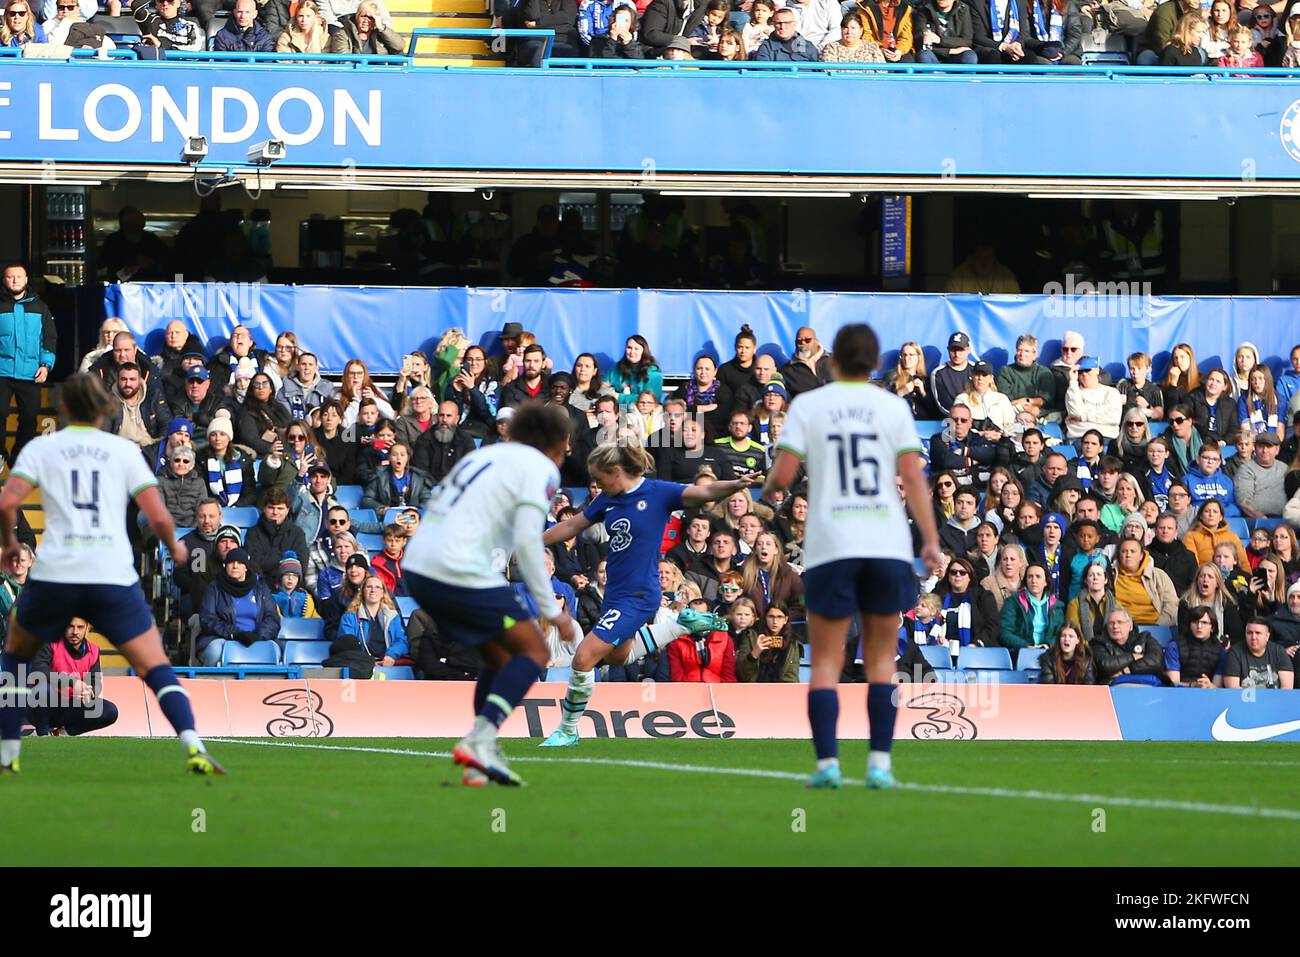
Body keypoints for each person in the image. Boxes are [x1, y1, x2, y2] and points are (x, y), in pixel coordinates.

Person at [0, 374, 221, 775]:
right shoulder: (123, 451)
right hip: (111, 573)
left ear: (63, 408)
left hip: (56, 573)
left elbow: (7, 503)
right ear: (105, 409)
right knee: (155, 664)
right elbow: (156, 513)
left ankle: (9, 750)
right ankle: (193, 743)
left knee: (15, 654)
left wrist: (10, 545)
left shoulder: (42, 448)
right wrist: (175, 547)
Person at [763, 322, 941, 790]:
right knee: (882, 659)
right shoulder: (891, 407)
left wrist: (766, 487)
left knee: (826, 658)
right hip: (885, 543)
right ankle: (880, 763)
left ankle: (828, 765)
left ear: (832, 360)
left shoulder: (809, 405)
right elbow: (915, 479)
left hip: (831, 546)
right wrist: (929, 538)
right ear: (876, 362)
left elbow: (781, 477)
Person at [397, 404, 580, 786]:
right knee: (535, 651)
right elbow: (530, 542)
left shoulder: (484, 456)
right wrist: (554, 610)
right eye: (566, 448)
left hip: (418, 566)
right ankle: (480, 738)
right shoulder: (539, 467)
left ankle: (478, 758)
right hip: (460, 569)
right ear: (558, 444)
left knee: (498, 655)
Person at [540, 442, 756, 748]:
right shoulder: (608, 500)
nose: (598, 485)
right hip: (614, 594)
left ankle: (568, 728)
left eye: (601, 478)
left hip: (640, 594)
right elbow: (574, 524)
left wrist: (735, 484)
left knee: (584, 656)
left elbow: (703, 492)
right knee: (616, 656)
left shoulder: (657, 492)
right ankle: (681, 625)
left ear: (616, 472)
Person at [0, 264, 54, 469]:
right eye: (10, 277)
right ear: (4, 280)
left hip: (30, 372)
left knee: (30, 417)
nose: (15, 280)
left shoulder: (40, 307)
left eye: (19, 277)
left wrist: (45, 365)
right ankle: (0, 454)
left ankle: (19, 458)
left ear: (26, 279)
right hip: (2, 370)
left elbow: (49, 338)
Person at [28, 617, 120, 738]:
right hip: (42, 705)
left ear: (87, 629)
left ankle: (63, 733)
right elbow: (38, 671)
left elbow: (95, 681)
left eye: (80, 627)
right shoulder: (49, 642)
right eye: (71, 626)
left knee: (110, 711)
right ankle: (43, 733)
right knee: (43, 688)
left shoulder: (94, 650)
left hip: (72, 705)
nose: (75, 631)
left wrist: (89, 691)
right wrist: (72, 682)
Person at [243, 487, 311, 581]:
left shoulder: (297, 533)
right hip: (261, 585)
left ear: (287, 510)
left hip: (290, 587)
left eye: (280, 508)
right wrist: (285, 558)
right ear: (264, 509)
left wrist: (269, 562)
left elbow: (301, 565)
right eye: (271, 508)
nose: (275, 512)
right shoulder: (253, 533)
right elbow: (253, 564)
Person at [1112, 538, 1178, 627]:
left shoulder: (1158, 576)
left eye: (1133, 551)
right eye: (1124, 551)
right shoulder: (1109, 576)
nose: (1128, 555)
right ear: (1119, 555)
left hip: (1155, 627)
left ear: (1141, 555)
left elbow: (1172, 606)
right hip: (1119, 628)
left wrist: (1158, 627)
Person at [1090, 607, 1165, 684]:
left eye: (1120, 622)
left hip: (1149, 686)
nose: (1115, 626)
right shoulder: (1098, 643)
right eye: (1111, 623)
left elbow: (1156, 661)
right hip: (1115, 688)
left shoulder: (1145, 638)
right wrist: (1132, 656)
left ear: (1130, 626)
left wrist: (1127, 669)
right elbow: (1105, 665)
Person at [999, 562, 1064, 650]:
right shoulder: (1013, 602)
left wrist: (1048, 645)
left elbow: (1060, 633)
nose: (1033, 580)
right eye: (1030, 576)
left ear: (1046, 582)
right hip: (1021, 652)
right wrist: (1026, 646)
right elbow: (1004, 633)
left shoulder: (1056, 605)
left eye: (1038, 576)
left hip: (1048, 653)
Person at [734, 601, 801, 682]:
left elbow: (792, 678)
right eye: (771, 616)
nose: (775, 621)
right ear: (765, 618)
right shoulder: (750, 636)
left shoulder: (793, 642)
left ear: (785, 620)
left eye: (779, 617)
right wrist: (754, 653)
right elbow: (743, 676)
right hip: (754, 689)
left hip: (781, 690)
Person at [996, 334, 1056, 421]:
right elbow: (1004, 399)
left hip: (1039, 413)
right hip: (1012, 413)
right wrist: (1022, 406)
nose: (1022, 354)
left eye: (1027, 351)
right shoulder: (1006, 371)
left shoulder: (1044, 372)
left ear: (1034, 355)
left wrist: (1027, 401)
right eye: (1019, 350)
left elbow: (1047, 399)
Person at [1222, 619, 1293, 689]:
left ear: (1267, 636)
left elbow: (1287, 687)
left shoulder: (1279, 652)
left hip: (1275, 699)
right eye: (1249, 633)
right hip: (1244, 699)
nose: (1253, 637)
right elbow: (1232, 689)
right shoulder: (1234, 652)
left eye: (1258, 633)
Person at [327, 0, 403, 51]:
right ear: (357, 17)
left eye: (371, 18)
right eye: (363, 16)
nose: (366, 21)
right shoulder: (343, 34)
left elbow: (399, 46)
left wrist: (381, 28)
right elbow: (343, 60)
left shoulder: (380, 35)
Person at [931, 331, 976, 417]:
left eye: (961, 350)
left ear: (968, 350)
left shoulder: (976, 370)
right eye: (953, 350)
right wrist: (961, 418)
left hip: (975, 419)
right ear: (948, 350)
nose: (957, 354)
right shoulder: (938, 373)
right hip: (952, 421)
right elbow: (942, 404)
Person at [753, 6, 821, 58]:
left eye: (787, 22)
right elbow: (764, 74)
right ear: (773, 24)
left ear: (795, 24)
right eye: (778, 23)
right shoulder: (766, 48)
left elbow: (819, 72)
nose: (782, 27)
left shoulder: (808, 46)